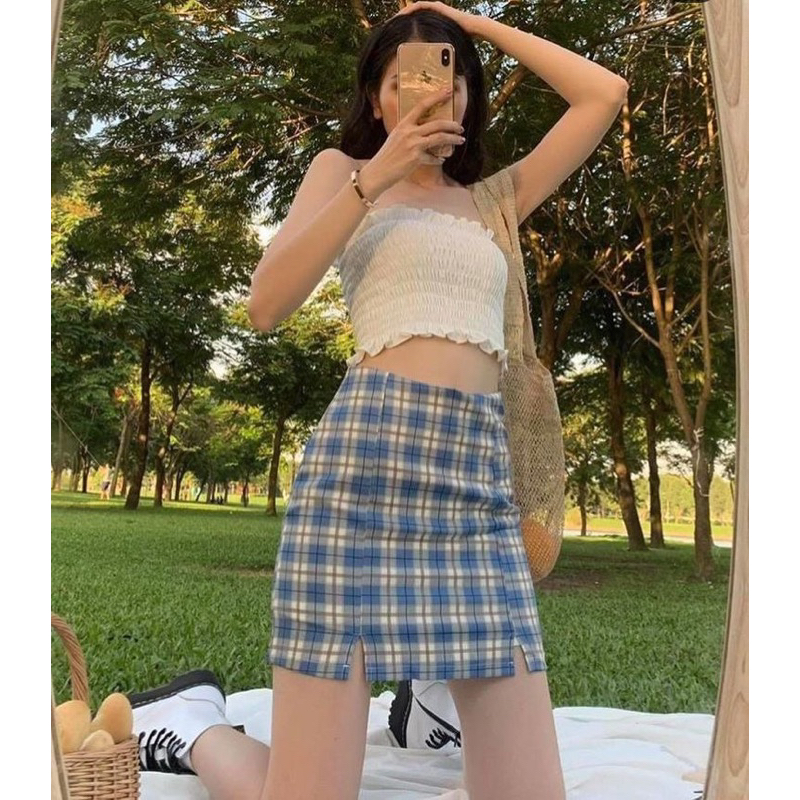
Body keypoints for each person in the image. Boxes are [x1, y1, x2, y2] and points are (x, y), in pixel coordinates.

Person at [125, 4, 628, 799]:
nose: (429, 94)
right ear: (375, 96)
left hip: (475, 490)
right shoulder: (342, 172)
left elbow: (604, 94)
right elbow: (266, 306)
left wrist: (468, 23)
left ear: (468, 93)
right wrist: (378, 175)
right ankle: (194, 729)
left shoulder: (495, 199)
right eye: (405, 81)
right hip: (360, 475)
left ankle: (410, 707)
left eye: (448, 78)